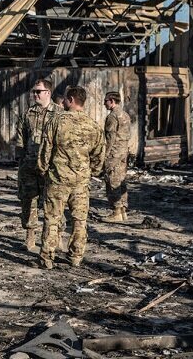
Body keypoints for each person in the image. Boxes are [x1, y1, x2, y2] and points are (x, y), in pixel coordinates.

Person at [37, 86, 104, 268]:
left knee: (52, 218)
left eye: (66, 99)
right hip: (81, 181)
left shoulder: (56, 121)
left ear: (72, 100)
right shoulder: (93, 125)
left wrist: (43, 170)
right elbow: (99, 154)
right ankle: (75, 257)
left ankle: (47, 258)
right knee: (79, 220)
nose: (64, 102)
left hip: (58, 179)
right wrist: (93, 171)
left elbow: (45, 149)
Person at [15, 79, 62, 251]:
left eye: (39, 91)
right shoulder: (27, 114)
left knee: (53, 203)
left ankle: (56, 236)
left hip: (51, 167)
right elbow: (20, 140)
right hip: (29, 166)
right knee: (28, 201)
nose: (35, 94)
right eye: (34, 91)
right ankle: (30, 237)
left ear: (48, 93)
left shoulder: (60, 114)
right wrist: (21, 162)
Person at [102, 91, 131, 222]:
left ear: (112, 101)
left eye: (106, 101)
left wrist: (104, 155)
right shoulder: (125, 115)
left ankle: (116, 211)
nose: (104, 103)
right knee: (121, 180)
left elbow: (110, 138)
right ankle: (123, 210)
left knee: (112, 180)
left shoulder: (113, 117)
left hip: (114, 153)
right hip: (123, 151)